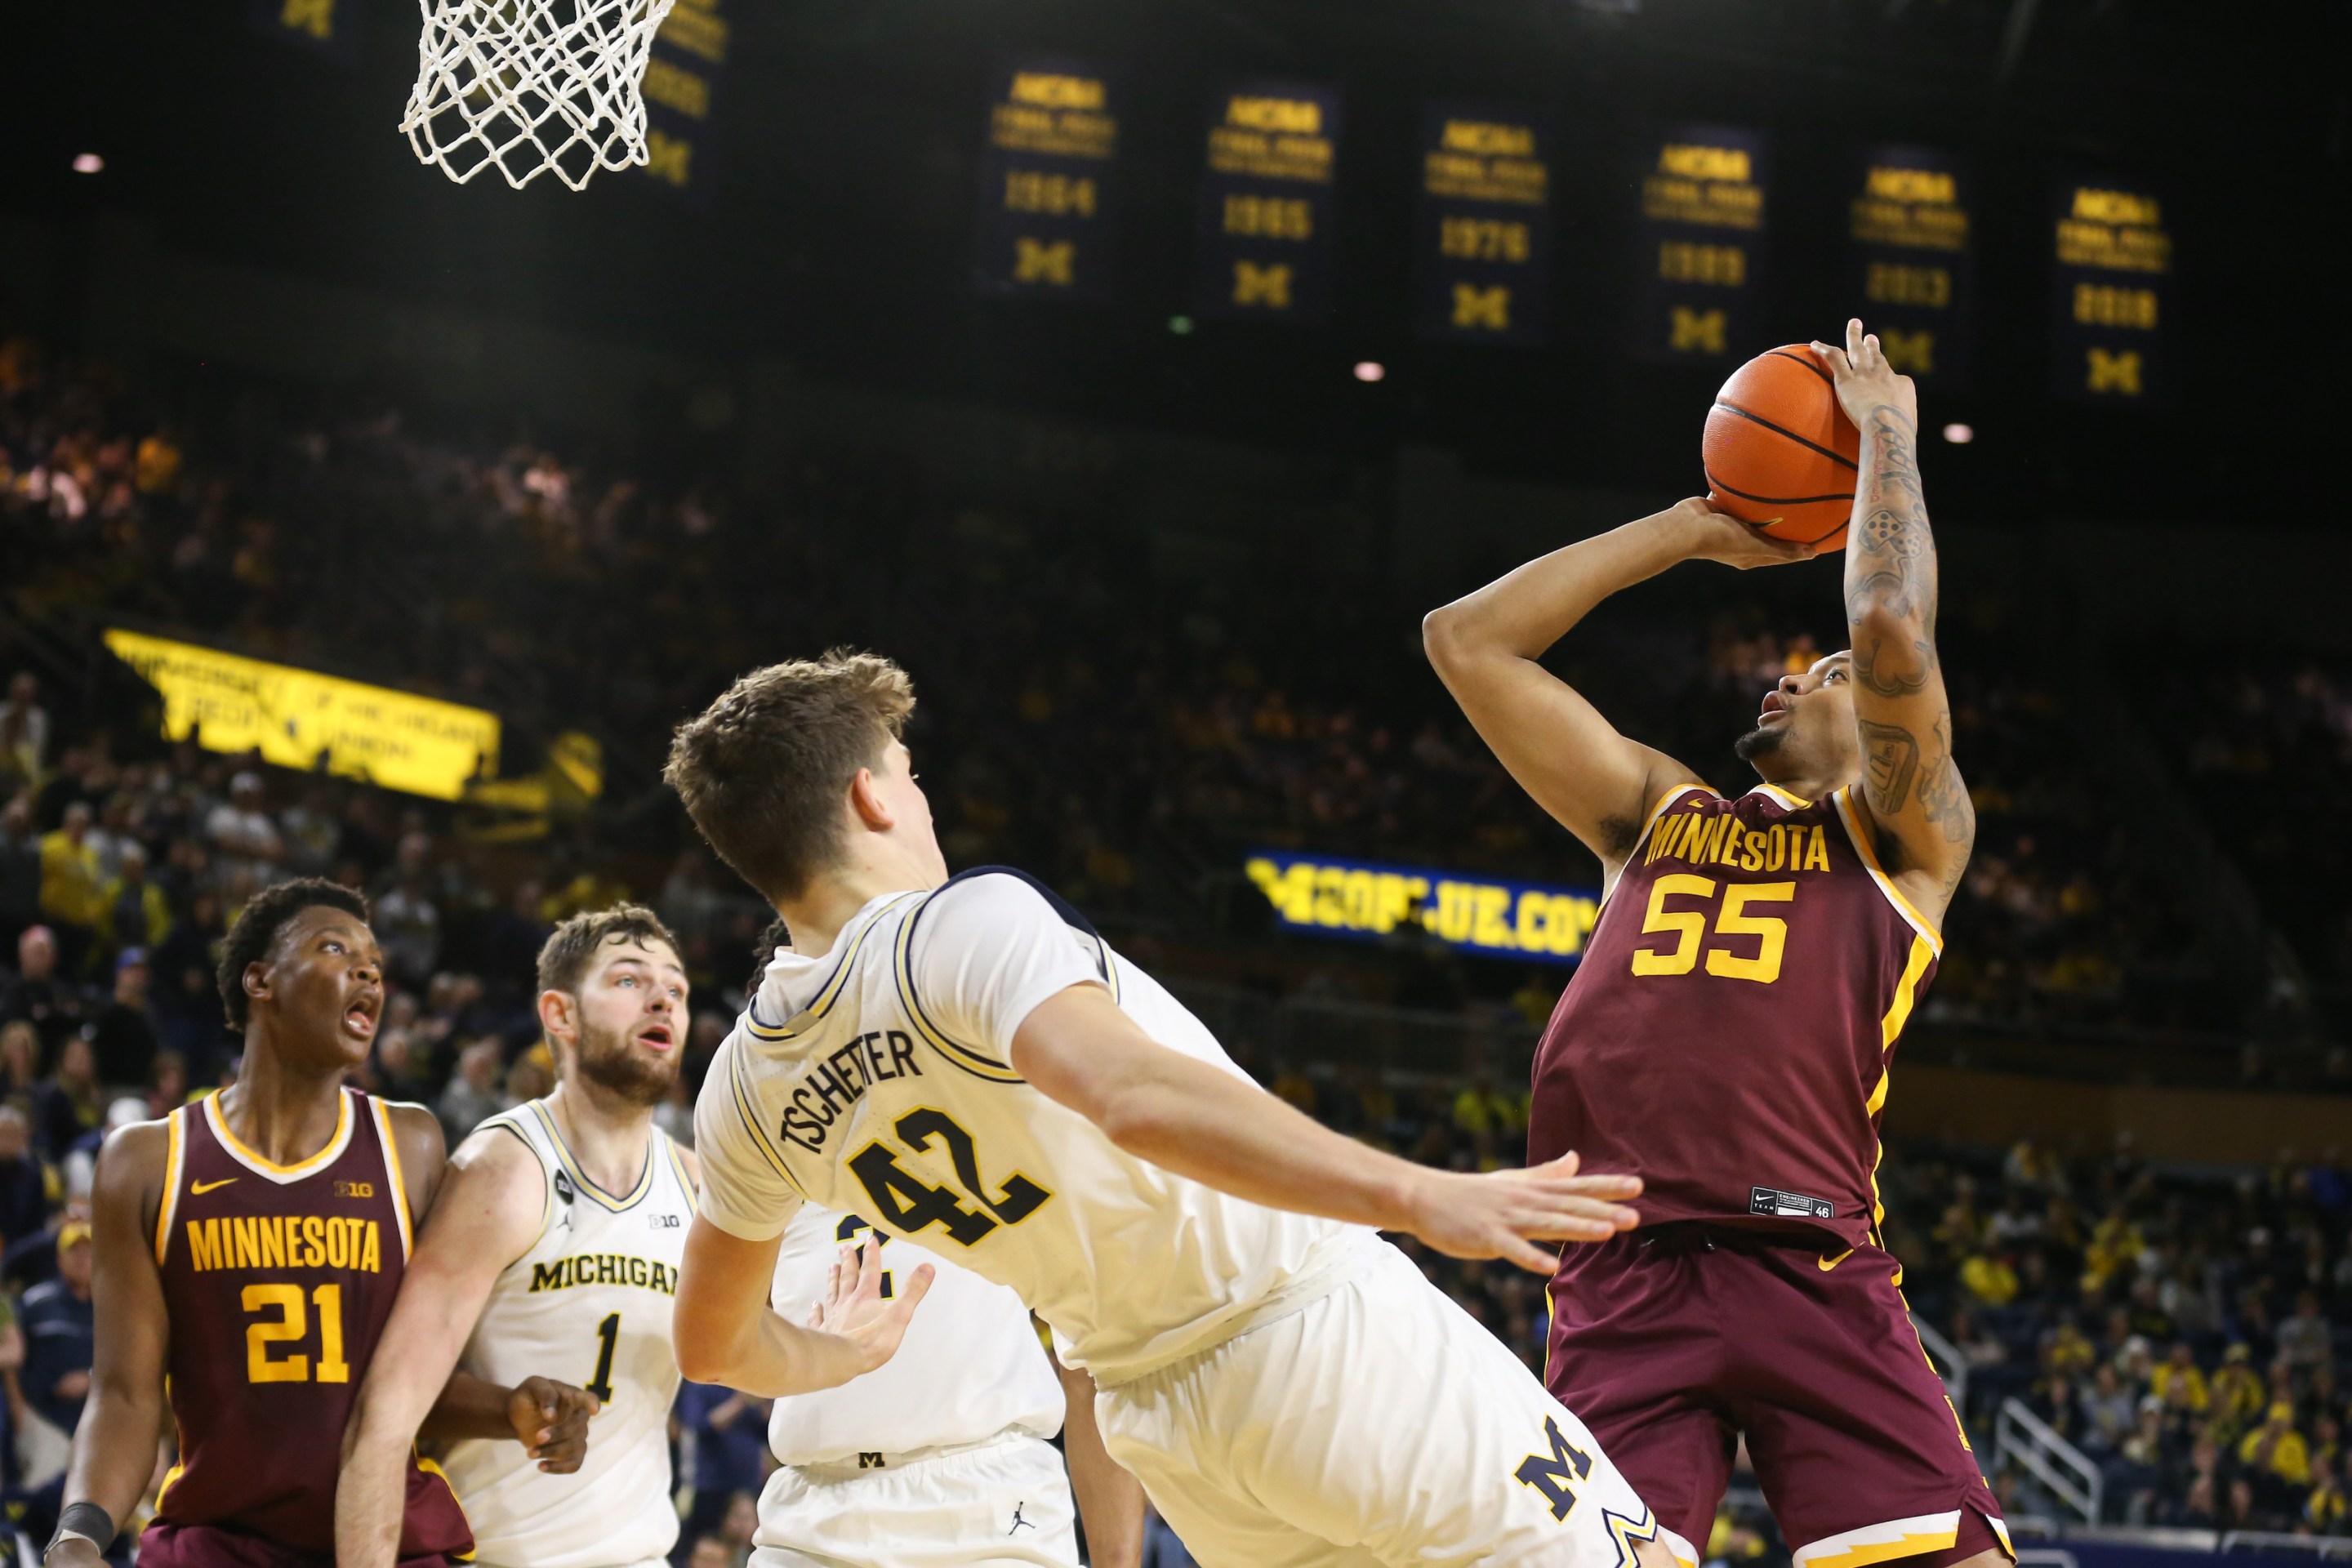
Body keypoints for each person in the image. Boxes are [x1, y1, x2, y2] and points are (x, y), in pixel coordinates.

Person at [662, 651, 1669, 1568]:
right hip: (1315, 1333)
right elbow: (1132, 1099)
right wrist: (1417, 1192)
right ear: (870, 796)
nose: (925, 802)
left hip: (1167, 1421)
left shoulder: (745, 1086)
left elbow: (711, 1347)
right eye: (912, 775)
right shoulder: (960, 923)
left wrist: (842, 1352)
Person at [1421, 320, 2003, 1568]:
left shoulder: (1907, 840)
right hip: (1622, 1278)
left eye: (1828, 671)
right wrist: (1694, 527)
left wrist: (1887, 431)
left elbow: (1895, 622)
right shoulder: (1656, 816)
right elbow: (1466, 640)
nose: (1795, 674)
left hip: (1812, 1264)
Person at [44, 878, 599, 1568]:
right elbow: (125, 1393)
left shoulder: (410, 1145)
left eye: (375, 963)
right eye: (335, 949)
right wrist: (78, 1534)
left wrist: (512, 1408)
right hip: (219, 1541)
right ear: (260, 979)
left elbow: (413, 1383)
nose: (368, 971)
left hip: (385, 1538)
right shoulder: (148, 1161)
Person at [336, 905, 702, 1568]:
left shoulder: (694, 1183)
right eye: (628, 980)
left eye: (676, 989)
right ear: (559, 1015)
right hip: (500, 1555)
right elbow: (385, 1412)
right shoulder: (504, 1171)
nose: (662, 999)